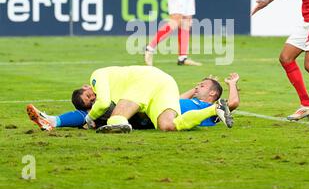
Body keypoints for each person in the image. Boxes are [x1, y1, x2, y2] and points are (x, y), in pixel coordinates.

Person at [26, 73, 240, 132]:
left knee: (105, 115)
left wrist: (232, 83)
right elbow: (174, 101)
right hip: (152, 108)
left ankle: (53, 120)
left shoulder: (204, 109)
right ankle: (52, 120)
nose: (198, 86)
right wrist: (194, 89)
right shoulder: (187, 101)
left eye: (203, 86)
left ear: (213, 94)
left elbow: (233, 104)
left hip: (148, 114)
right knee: (102, 115)